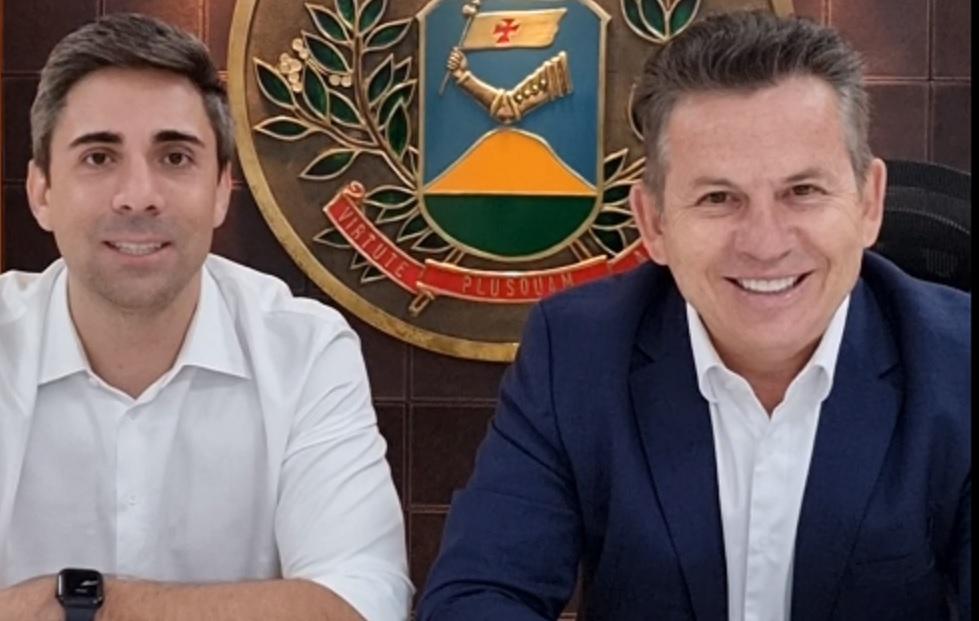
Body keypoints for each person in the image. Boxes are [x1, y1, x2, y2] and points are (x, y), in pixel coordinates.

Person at [418, 10, 969, 621]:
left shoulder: (960, 363)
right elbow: (478, 598)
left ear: (869, 203)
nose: (765, 243)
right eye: (718, 198)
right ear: (653, 223)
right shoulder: (574, 353)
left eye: (803, 192)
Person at [0, 13, 411, 621]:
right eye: (98, 157)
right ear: (42, 192)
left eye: (174, 157)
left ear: (221, 190)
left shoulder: (304, 350)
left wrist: (72, 606)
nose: (138, 196)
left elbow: (362, 602)